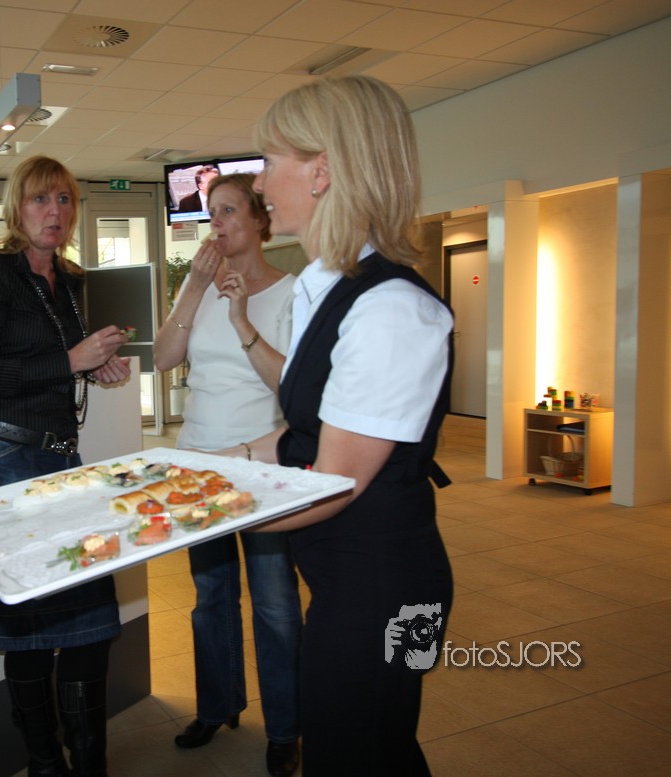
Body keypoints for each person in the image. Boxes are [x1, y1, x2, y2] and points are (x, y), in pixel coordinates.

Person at [213, 75, 455, 774]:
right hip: (351, 580)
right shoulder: (331, 288)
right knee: (374, 751)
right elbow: (306, 435)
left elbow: (336, 480)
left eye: (269, 161)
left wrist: (194, 515)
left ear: (321, 170)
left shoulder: (389, 309)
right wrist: (202, 465)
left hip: (385, 590)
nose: (261, 183)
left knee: (359, 753)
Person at [0, 155, 131, 777]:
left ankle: (85, 766)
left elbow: (56, 361)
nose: (54, 212)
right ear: (17, 207)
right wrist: (71, 361)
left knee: (90, 626)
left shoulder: (67, 279)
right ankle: (45, 764)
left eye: (64, 200)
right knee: (32, 632)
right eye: (41, 199)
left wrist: (94, 365)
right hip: (6, 462)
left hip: (60, 462)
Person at [153, 173, 302, 776]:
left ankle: (286, 727)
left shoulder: (290, 293)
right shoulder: (201, 286)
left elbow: (293, 388)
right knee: (211, 596)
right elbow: (164, 358)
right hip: (199, 465)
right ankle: (217, 707)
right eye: (211, 212)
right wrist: (194, 285)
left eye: (229, 210)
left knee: (274, 605)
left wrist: (242, 318)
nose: (215, 222)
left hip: (260, 468)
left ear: (261, 221)